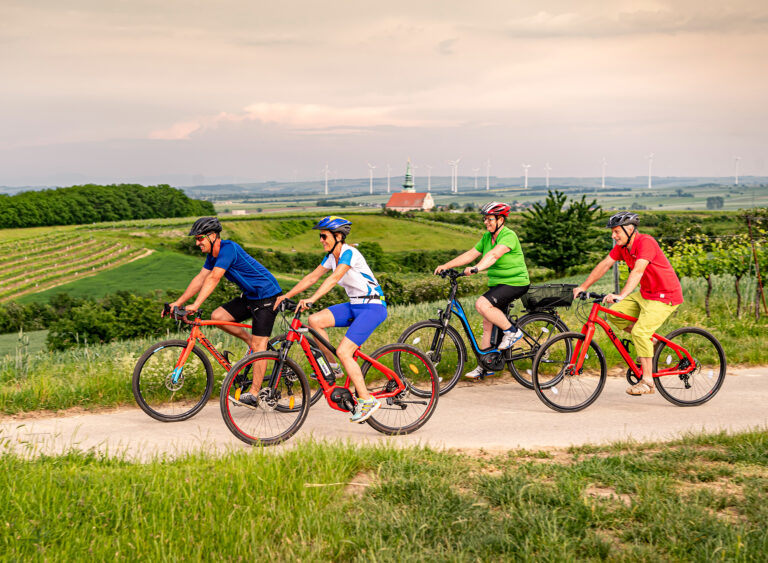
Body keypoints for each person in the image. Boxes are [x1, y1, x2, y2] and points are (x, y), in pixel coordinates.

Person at [274, 216, 387, 423]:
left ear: (338, 236)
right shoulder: (331, 257)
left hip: (372, 307)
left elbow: (333, 279)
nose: (321, 240)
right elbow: (312, 277)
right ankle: (333, 369)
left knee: (345, 351)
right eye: (320, 236)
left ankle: (366, 399)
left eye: (324, 236)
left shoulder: (349, 253)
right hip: (354, 305)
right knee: (315, 321)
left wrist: (312, 298)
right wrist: (287, 296)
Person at [166, 216, 283, 407]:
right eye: (196, 239)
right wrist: (178, 302)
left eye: (200, 238)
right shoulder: (212, 255)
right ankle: (250, 342)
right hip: (251, 296)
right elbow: (200, 278)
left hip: (268, 297)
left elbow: (214, 277)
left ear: (213, 236)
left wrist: (195, 305)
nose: (197, 243)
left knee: (260, 344)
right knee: (218, 317)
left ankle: (254, 394)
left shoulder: (228, 249)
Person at [573, 211, 683, 395]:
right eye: (613, 232)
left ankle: (647, 382)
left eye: (616, 231)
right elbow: (605, 264)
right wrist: (583, 287)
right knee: (614, 315)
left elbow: (638, 270)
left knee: (640, 332)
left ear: (630, 229)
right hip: (646, 294)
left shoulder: (645, 242)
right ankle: (652, 341)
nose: (613, 236)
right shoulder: (623, 247)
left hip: (665, 296)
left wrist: (622, 294)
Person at [434, 202, 530, 379]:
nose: (486, 222)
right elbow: (471, 254)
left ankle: (513, 332)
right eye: (485, 219)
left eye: (490, 219)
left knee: (481, 304)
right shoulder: (487, 237)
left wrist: (477, 268)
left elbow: (493, 255)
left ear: (501, 219)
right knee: (488, 324)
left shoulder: (509, 236)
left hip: (515, 283)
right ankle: (486, 364)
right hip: (499, 285)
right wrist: (447, 265)